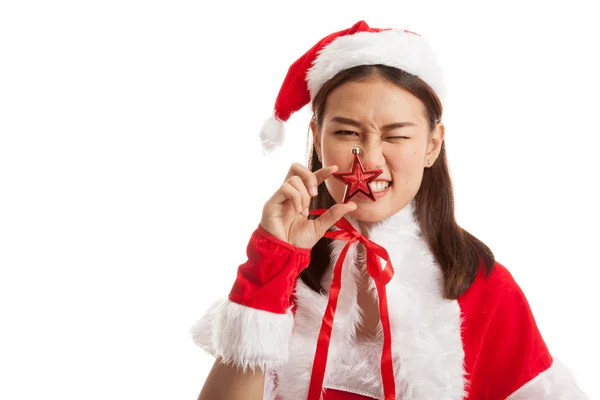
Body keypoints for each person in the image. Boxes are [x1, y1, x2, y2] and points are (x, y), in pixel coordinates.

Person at [190, 20, 589, 400]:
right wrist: (271, 268)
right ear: (316, 137)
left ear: (432, 145)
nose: (370, 159)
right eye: (346, 132)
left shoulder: (482, 287)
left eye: (396, 135)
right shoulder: (284, 276)